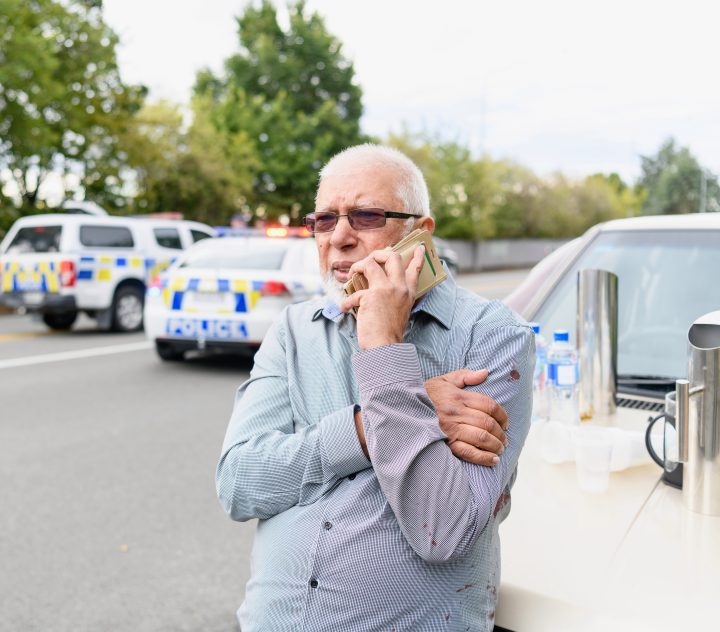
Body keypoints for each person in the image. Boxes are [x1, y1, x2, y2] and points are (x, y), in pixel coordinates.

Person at [216, 144, 534, 631]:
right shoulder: (295, 330)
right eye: (324, 220)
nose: (339, 237)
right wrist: (375, 424)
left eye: (365, 216)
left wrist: (383, 345)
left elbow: (442, 530)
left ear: (420, 234)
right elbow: (239, 484)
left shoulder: (493, 336)